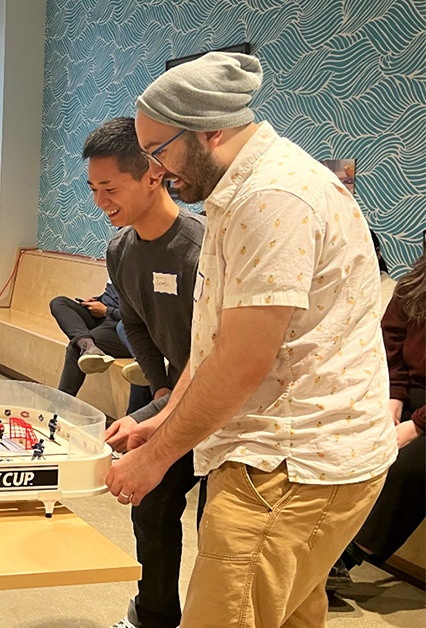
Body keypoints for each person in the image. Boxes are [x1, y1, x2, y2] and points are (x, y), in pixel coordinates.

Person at [107, 52, 396, 628]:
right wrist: (160, 418)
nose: (156, 172)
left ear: (210, 130)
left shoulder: (273, 199)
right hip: (291, 457)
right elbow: (216, 340)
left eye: (158, 152)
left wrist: (155, 461)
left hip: (290, 464)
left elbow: (242, 361)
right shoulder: (243, 193)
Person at [81, 117, 207, 628]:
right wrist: (159, 388)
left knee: (220, 529)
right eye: (93, 188)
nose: (100, 200)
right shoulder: (121, 250)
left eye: (110, 188)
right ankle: (154, 614)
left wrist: (163, 409)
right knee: (150, 507)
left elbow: (221, 354)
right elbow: (133, 320)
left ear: (154, 174)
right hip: (177, 388)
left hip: (227, 399)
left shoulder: (203, 246)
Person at [328, 243, 426, 590]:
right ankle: (315, 540)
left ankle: (344, 556)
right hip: (404, 394)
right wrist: (393, 399)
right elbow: (390, 344)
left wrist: (416, 426)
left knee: (410, 464)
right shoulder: (413, 285)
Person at [50, 282, 133, 397]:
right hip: (103, 317)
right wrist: (97, 300)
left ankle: (60, 406)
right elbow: (113, 296)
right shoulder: (116, 266)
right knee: (59, 302)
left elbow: (142, 316)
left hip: (122, 327)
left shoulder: (139, 271)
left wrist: (106, 311)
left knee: (76, 345)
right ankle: (87, 345)